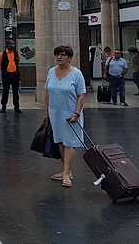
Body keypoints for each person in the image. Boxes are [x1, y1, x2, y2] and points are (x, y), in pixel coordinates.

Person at [44, 45, 86, 188]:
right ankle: (66, 170)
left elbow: (81, 95)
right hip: (55, 112)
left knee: (69, 143)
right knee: (60, 142)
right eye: (57, 55)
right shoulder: (51, 72)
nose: (59, 58)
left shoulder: (76, 74)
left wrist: (77, 113)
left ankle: (67, 174)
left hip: (70, 113)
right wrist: (47, 112)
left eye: (62, 55)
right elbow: (47, 93)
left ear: (70, 58)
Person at [0, 40, 22, 113]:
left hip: (15, 75)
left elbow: (18, 63)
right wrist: (4, 72)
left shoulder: (17, 54)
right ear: (7, 45)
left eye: (14, 44)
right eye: (11, 44)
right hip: (6, 75)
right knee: (5, 91)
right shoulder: (2, 54)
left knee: (15, 92)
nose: (13, 45)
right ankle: (3, 106)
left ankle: (16, 107)